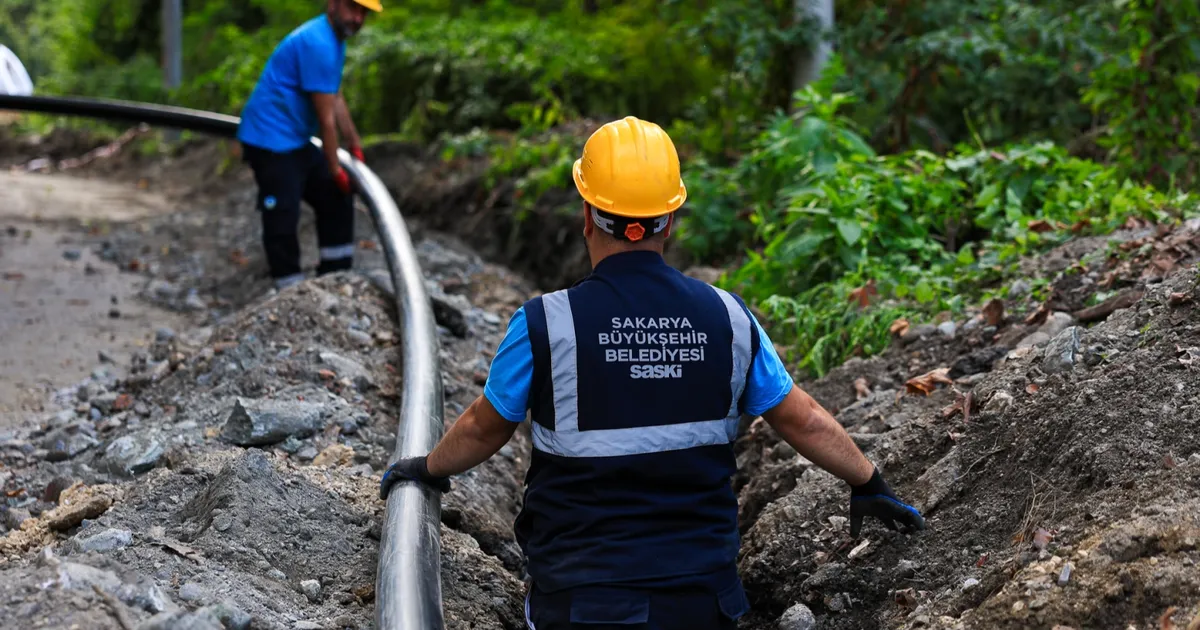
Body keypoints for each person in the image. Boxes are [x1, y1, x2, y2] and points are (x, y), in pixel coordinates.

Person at [378, 116, 925, 629]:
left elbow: (484, 427)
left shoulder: (546, 322)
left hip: (580, 600)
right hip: (702, 602)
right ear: (671, 220)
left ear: (587, 214)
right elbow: (800, 417)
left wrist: (426, 469)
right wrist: (867, 480)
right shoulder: (728, 318)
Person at [235, 0, 380, 290]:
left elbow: (335, 96)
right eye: (353, 9)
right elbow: (325, 119)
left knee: (336, 196)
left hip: (296, 139)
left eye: (363, 12)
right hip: (270, 139)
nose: (357, 18)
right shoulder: (317, 43)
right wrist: (336, 167)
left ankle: (335, 277)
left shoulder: (334, 40)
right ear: (333, 4)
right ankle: (288, 288)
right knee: (283, 211)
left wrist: (354, 144)